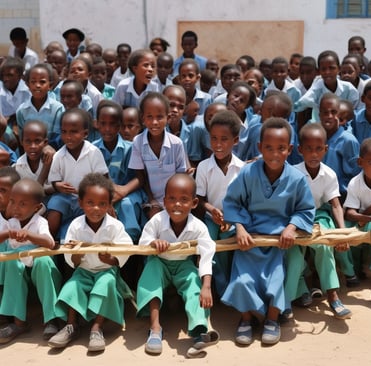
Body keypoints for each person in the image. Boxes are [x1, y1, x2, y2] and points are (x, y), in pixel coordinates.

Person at [221, 118, 315, 346]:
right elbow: (232, 203)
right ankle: (245, 319)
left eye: (281, 148)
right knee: (243, 281)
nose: (274, 154)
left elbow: (305, 208)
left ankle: (272, 319)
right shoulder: (247, 173)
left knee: (275, 280)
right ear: (259, 147)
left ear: (290, 149)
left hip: (278, 242)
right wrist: (240, 228)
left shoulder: (297, 179)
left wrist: (291, 228)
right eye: (269, 148)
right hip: (249, 240)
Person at [48, 173, 133, 351]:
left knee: (106, 283)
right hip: (84, 271)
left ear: (109, 205)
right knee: (72, 286)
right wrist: (77, 255)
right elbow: (71, 258)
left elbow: (126, 248)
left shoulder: (114, 226)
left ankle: (97, 327)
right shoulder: (76, 226)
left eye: (102, 204)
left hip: (106, 270)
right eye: (90, 203)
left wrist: (110, 259)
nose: (96, 208)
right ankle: (71, 325)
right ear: (81, 203)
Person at [136, 173, 219, 356]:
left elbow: (206, 255)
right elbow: (142, 243)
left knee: (193, 284)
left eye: (184, 199)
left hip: (183, 264)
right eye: (172, 199)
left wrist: (206, 286)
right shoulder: (157, 221)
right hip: (160, 263)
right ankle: (155, 329)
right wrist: (153, 243)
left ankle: (199, 333)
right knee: (152, 271)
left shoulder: (198, 227)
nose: (177, 204)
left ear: (194, 203)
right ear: (164, 201)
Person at [285, 123, 352, 319]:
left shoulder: (329, 174)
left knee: (324, 247)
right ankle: (287, 301)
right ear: (300, 150)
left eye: (318, 149)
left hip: (318, 217)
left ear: (326, 149)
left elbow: (336, 205)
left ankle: (332, 295)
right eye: (308, 149)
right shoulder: (293, 173)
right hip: (295, 220)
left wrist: (341, 233)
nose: (314, 154)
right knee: (295, 258)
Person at [0, 179, 62, 343]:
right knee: (11, 262)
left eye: (22, 204)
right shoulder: (11, 223)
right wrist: (7, 234)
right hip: (19, 266)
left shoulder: (40, 222)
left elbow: (49, 243)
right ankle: (19, 322)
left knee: (43, 262)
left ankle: (51, 319)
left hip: (38, 266)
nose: (15, 208)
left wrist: (28, 235)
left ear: (36, 208)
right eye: (12, 202)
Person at [196, 110, 245, 297]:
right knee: (207, 245)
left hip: (235, 220)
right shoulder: (203, 167)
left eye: (224, 139)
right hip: (211, 218)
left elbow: (244, 201)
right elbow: (199, 199)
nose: (218, 144)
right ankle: (217, 288)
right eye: (213, 138)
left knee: (227, 247)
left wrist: (231, 219)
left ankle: (229, 290)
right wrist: (212, 210)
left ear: (235, 140)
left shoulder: (242, 169)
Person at [46, 108, 108, 241]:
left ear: (85, 133)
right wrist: (58, 186)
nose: (68, 136)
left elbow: (104, 180)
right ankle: (48, 241)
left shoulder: (93, 152)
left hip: (88, 198)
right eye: (64, 132)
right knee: (55, 203)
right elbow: (53, 182)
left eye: (74, 132)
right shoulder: (59, 156)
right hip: (66, 198)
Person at [319, 93, 361, 287]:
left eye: (333, 112)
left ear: (339, 115)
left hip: (341, 198)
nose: (329, 116)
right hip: (319, 196)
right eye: (324, 112)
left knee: (338, 234)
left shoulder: (348, 140)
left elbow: (354, 174)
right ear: (318, 114)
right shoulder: (317, 136)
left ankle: (350, 273)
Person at [93, 100, 146, 243]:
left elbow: (140, 178)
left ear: (119, 126)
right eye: (103, 124)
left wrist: (123, 190)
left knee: (126, 204)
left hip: (128, 192)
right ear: (96, 124)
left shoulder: (131, 148)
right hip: (103, 193)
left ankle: (130, 243)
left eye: (113, 124)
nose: (107, 129)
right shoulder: (92, 149)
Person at [128, 92, 187, 218]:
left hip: (173, 198)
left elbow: (180, 177)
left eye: (160, 117)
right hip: (148, 197)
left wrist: (170, 202)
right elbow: (141, 176)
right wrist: (152, 201)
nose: (154, 122)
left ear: (168, 118)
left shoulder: (176, 144)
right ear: (143, 119)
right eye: (149, 117)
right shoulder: (138, 142)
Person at [343, 138, 371, 285]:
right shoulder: (355, 183)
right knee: (350, 233)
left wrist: (367, 217)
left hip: (368, 220)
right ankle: (352, 272)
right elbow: (350, 213)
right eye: (370, 162)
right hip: (361, 220)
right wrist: (368, 217)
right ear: (360, 162)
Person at [294, 50, 359, 122]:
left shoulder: (349, 89)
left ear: (339, 69)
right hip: (321, 127)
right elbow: (299, 105)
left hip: (344, 127)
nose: (327, 72)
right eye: (323, 69)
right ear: (319, 72)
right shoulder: (316, 89)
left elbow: (354, 112)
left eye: (331, 68)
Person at [16, 63, 65, 146]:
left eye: (42, 82)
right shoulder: (21, 110)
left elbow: (58, 136)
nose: (37, 85)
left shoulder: (57, 108)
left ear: (50, 85)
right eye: (33, 82)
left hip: (52, 151)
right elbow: (23, 139)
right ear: (28, 85)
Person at [14, 120, 54, 195]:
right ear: (21, 142)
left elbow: (57, 188)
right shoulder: (19, 166)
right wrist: (46, 167)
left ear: (45, 143)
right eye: (28, 141)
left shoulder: (54, 160)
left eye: (37, 141)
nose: (33, 146)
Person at [226, 81, 256, 161]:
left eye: (242, 100)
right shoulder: (217, 116)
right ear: (228, 96)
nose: (236, 100)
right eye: (235, 96)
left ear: (246, 107)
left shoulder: (249, 126)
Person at [0, 57, 31, 124]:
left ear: (20, 76)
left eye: (9, 75)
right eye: (3, 75)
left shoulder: (28, 92)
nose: (5, 79)